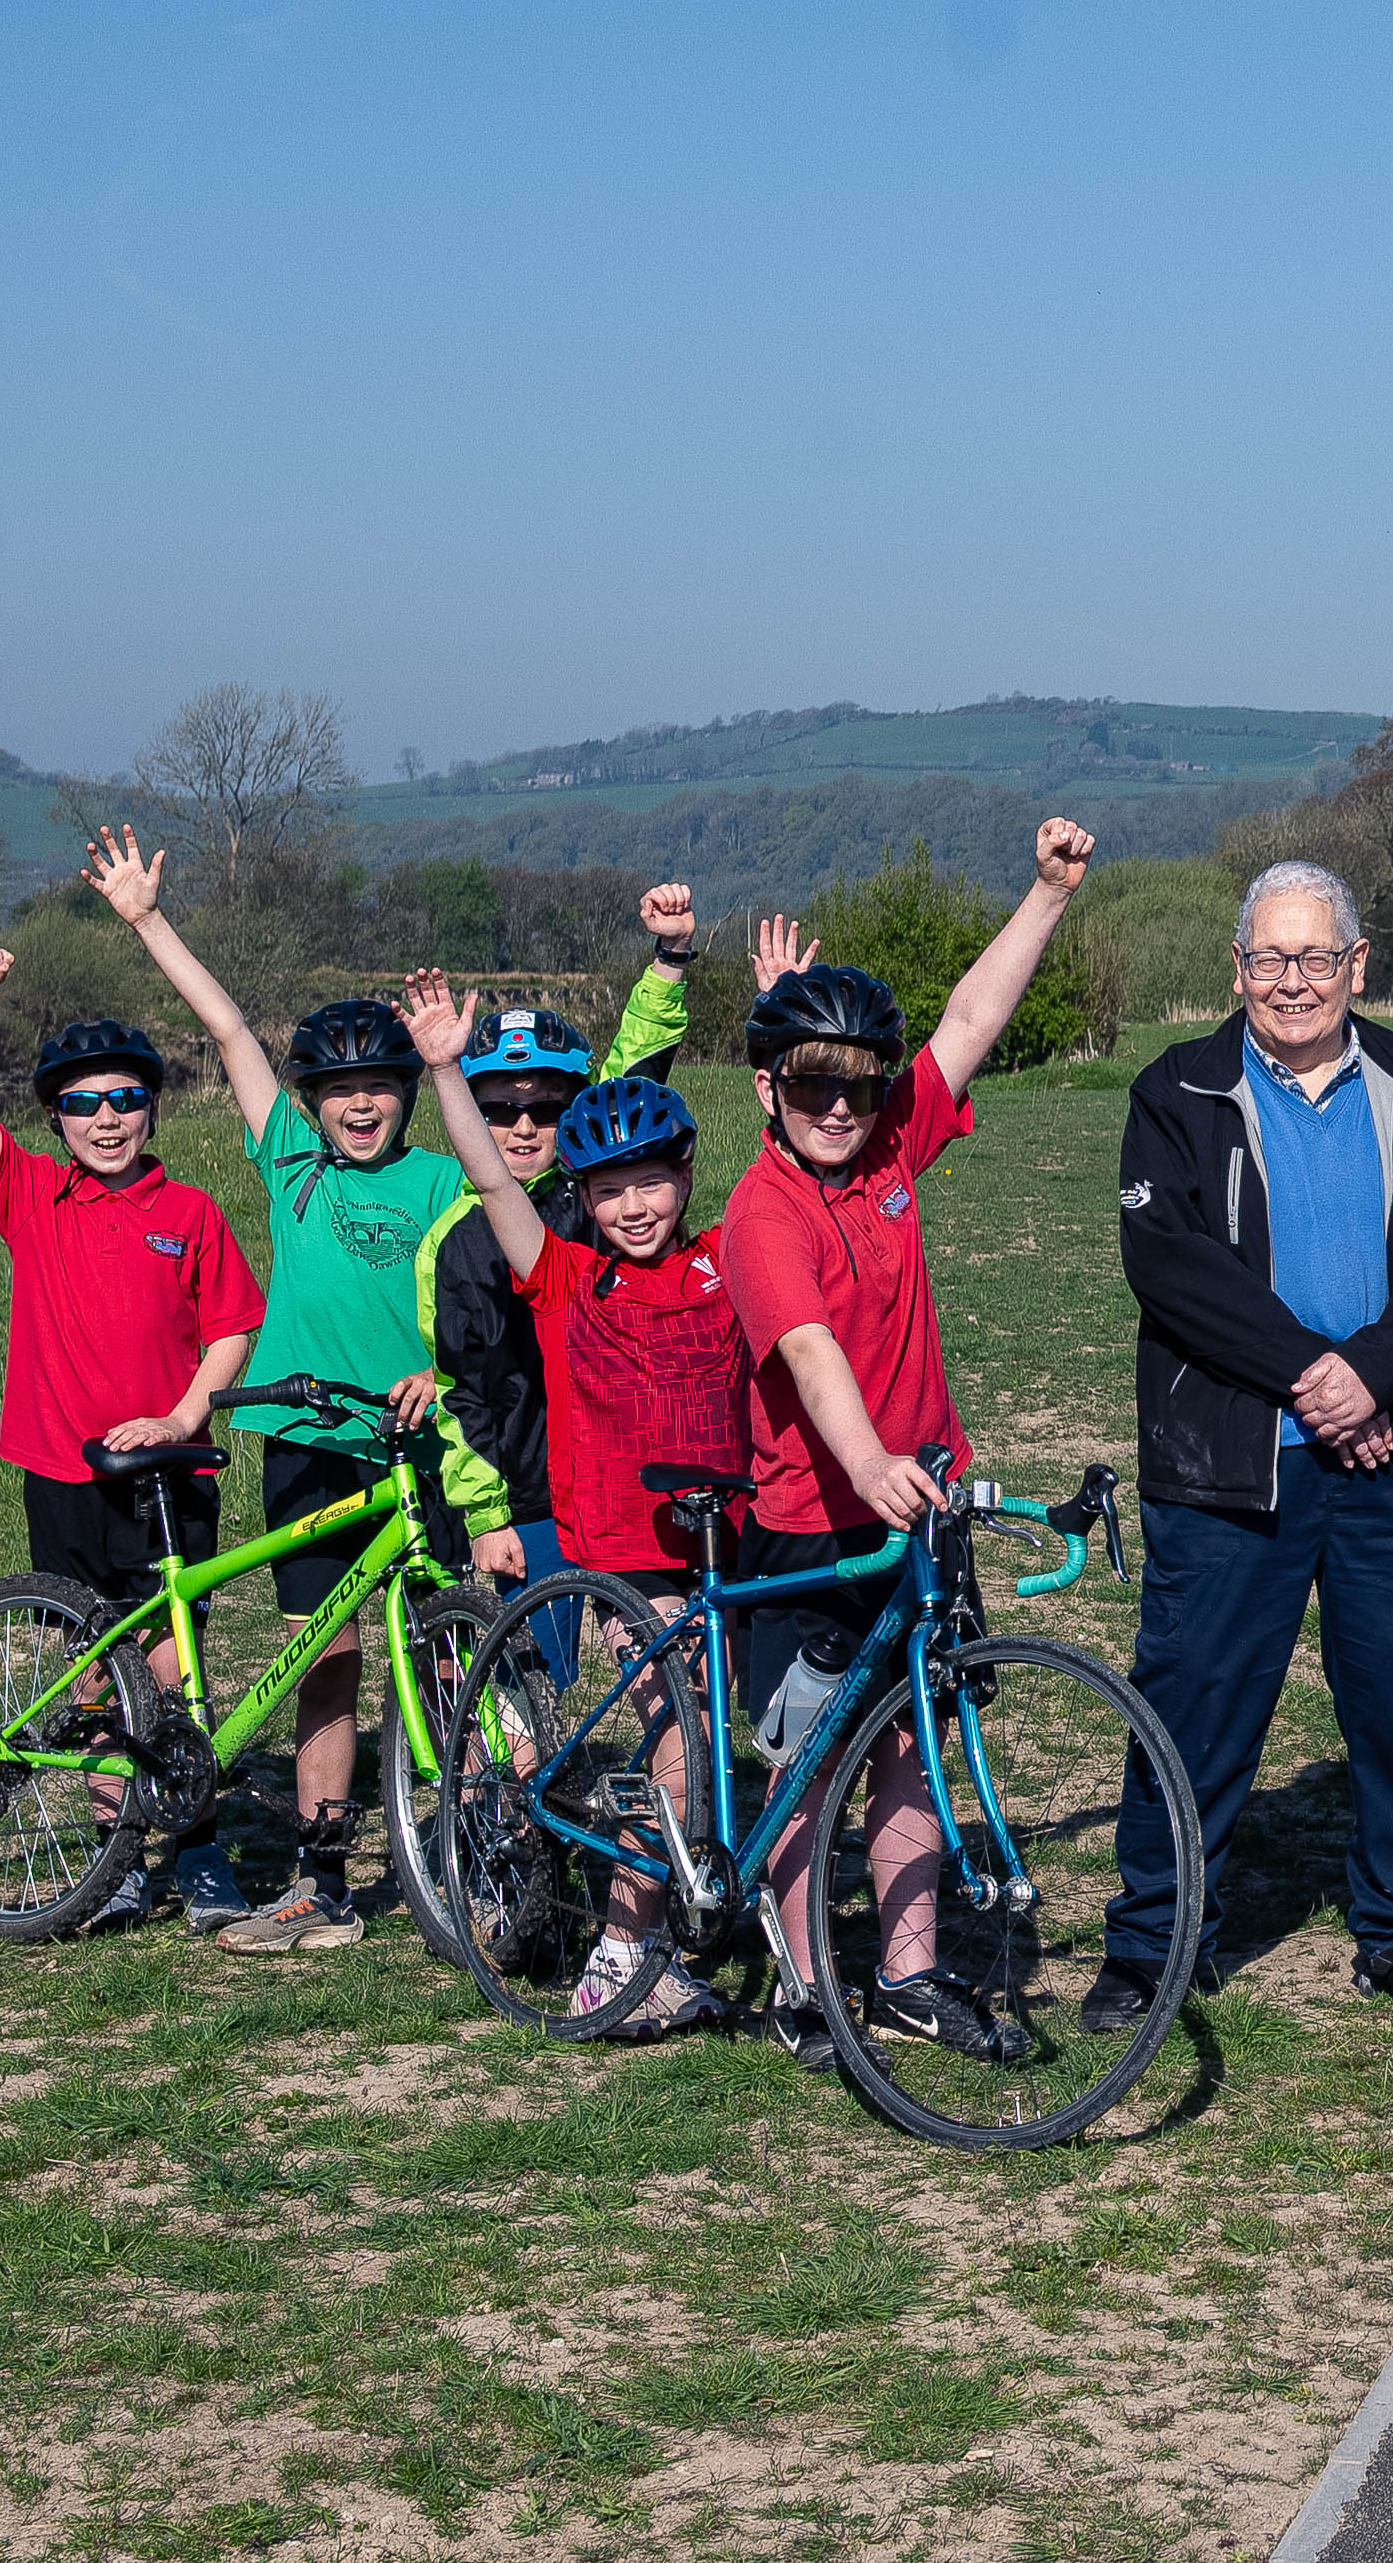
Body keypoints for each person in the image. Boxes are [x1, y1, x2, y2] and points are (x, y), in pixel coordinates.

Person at [723, 816, 1101, 2066]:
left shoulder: (885, 1146)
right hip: (808, 1522)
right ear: (768, 1092)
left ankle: (907, 1972)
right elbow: (811, 1357)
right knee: (803, 1759)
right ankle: (793, 1980)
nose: (841, 1106)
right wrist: (868, 1461)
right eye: (811, 1085)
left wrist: (1045, 893)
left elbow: (966, 1026)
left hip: (917, 1510)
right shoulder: (757, 1211)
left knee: (910, 1751)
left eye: (857, 1084)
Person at [1103, 861, 1393, 2030]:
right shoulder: (1175, 1090)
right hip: (1232, 1463)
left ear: (1355, 967)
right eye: (1269, 959)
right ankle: (1155, 1944)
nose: (1292, 982)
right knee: (1195, 1703)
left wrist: (1368, 1374)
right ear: (1237, 969)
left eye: (1315, 958)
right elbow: (1170, 1268)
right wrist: (1309, 1376)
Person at [87, 827, 471, 1955]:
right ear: (315, 1101)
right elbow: (225, 1031)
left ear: (405, 1094)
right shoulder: (292, 1164)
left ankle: (481, 1837)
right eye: (339, 1091)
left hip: (419, 1438)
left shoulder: (446, 1176)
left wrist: (443, 1373)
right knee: (328, 1657)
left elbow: (505, 1257)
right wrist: (148, 920)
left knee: (449, 1645)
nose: (359, 1109)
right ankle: (322, 1879)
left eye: (378, 1090)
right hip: (307, 1436)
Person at [403, 973, 743, 2037]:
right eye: (612, 1190)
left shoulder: (716, 1263)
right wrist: (444, 1067)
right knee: (681, 1745)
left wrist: (770, 1023)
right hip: (625, 1556)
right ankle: (620, 1954)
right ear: (584, 1202)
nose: (633, 1206)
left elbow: (790, 1182)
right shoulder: (562, 1279)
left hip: (724, 1544)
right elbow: (491, 1184)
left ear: (684, 1180)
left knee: (721, 1743)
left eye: (652, 1184)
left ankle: (699, 1928)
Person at [0, 946, 266, 1930]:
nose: (105, 1118)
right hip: (64, 1468)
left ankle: (196, 1856)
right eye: (81, 1104)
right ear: (55, 1119)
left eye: (124, 1098)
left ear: (152, 1108)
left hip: (166, 1471)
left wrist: (188, 1414)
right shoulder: (31, 1195)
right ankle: (112, 1861)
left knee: (170, 1662)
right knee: (90, 1664)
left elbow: (232, 1324)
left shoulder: (189, 1213)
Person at [418, 885, 717, 1639]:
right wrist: (486, 1516)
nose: (523, 1126)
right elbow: (461, 1389)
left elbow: (636, 1070)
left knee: (655, 1661)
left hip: (620, 1475)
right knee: (530, 1703)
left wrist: (670, 958)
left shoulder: (598, 1194)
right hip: (523, 1497)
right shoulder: (456, 1239)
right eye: (499, 1108)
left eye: (547, 1107)